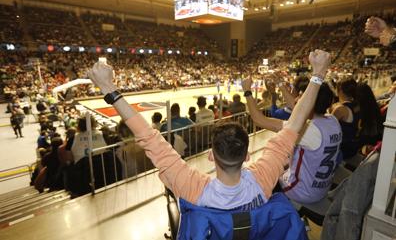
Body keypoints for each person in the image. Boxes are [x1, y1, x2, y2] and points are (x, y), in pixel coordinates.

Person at [87, 49, 330, 213]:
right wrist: (318, 74)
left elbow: (149, 137)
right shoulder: (264, 177)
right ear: (247, 157)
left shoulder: (191, 186)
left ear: (211, 156)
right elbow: (297, 122)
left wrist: (109, 88)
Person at [243, 79, 341, 204]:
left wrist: (247, 91)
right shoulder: (333, 120)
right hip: (321, 187)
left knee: (266, 173)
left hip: (302, 192)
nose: (297, 98)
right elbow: (300, 111)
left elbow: (259, 120)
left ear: (310, 103)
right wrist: (279, 86)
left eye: (301, 96)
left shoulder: (309, 130)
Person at [330, 78, 360, 160]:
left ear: (340, 91)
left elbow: (327, 126)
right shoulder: (357, 105)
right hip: (354, 145)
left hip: (344, 149)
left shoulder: (341, 109)